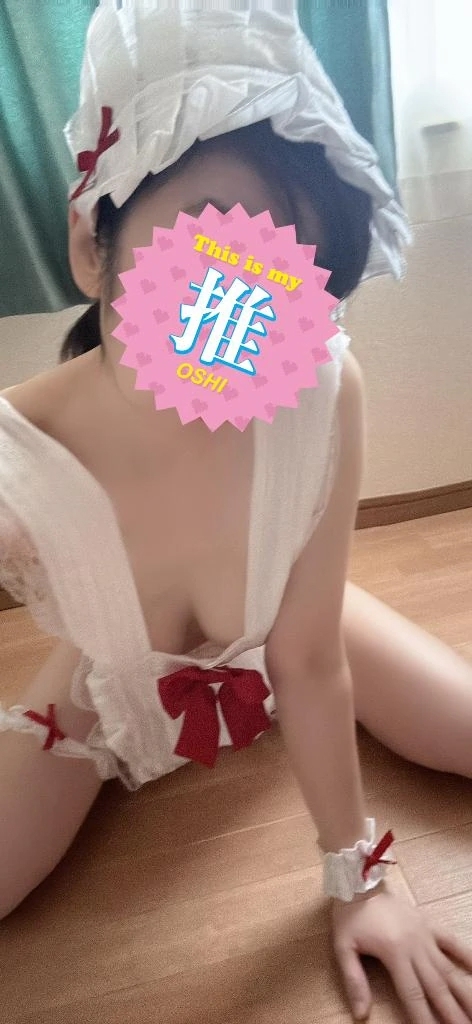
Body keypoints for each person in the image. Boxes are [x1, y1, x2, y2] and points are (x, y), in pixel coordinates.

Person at [1, 3, 472, 1021]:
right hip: (110, 677)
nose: (247, 316)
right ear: (92, 246)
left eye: (295, 272)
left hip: (290, 629)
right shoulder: (16, 461)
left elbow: (309, 657)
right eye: (211, 253)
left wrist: (357, 877)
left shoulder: (321, 393)